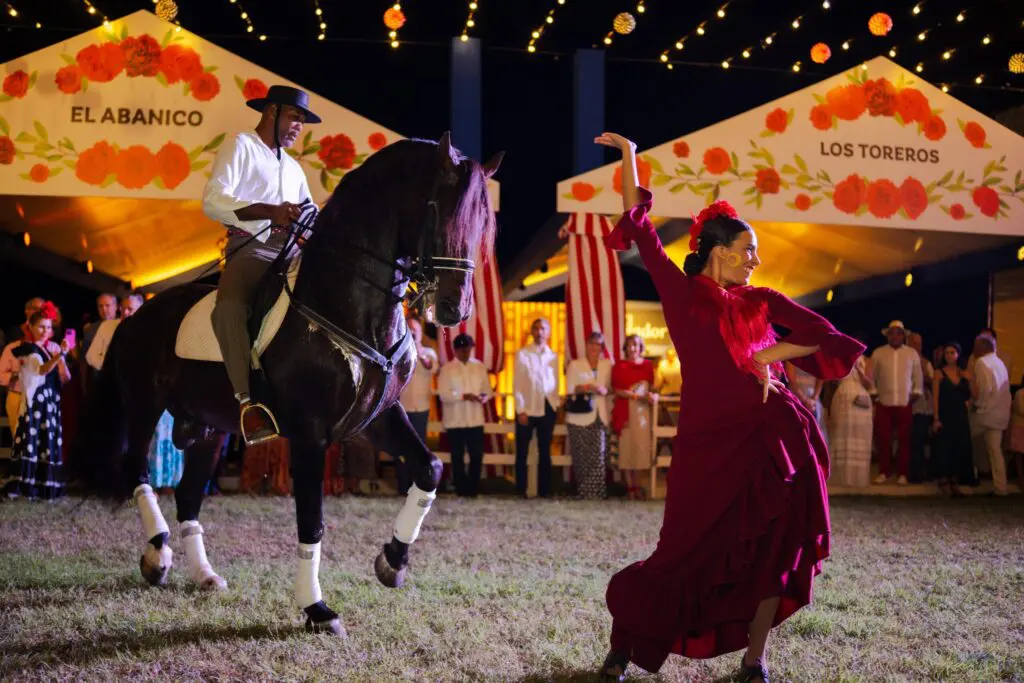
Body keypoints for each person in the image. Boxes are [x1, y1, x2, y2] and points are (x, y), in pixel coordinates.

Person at [594, 132, 863, 683]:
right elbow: (638, 225)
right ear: (718, 251)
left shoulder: (762, 300)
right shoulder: (680, 290)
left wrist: (765, 352)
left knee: (775, 549)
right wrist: (629, 155)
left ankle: (754, 660)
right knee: (678, 552)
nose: (755, 261)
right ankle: (624, 649)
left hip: (770, 440)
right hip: (705, 444)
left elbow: (822, 335)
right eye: (747, 251)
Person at [203, 85, 319, 445]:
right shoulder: (240, 146)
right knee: (229, 308)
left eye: (302, 121)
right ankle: (247, 403)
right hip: (252, 246)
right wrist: (271, 211)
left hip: (292, 249)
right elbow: (213, 201)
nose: (299, 126)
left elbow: (309, 213)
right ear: (271, 112)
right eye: (294, 117)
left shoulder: (295, 168)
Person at [6, 302, 72, 500]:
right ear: (31, 327)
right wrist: (60, 355)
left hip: (48, 401)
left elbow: (62, 376)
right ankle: (29, 485)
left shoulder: (44, 349)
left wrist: (61, 355)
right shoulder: (28, 348)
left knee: (45, 441)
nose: (46, 331)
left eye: (49, 327)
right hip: (36, 403)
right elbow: (41, 370)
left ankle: (43, 485)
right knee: (33, 441)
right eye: (42, 326)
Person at [437, 334, 492, 497]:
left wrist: (483, 397)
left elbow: (487, 390)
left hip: (475, 419)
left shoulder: (479, 367)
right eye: (462, 349)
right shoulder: (447, 369)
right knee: (457, 456)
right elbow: (443, 394)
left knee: (476, 455)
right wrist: (463, 396)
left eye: (468, 348)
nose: (465, 352)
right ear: (455, 350)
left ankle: (473, 488)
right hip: (455, 420)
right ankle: (461, 489)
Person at [870, 321, 923, 485]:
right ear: (887, 335)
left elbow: (917, 379)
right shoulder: (878, 353)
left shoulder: (911, 354)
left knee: (904, 440)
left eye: (898, 333)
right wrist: (875, 395)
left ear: (903, 336)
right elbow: (872, 377)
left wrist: (912, 397)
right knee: (883, 439)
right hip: (884, 403)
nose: (895, 336)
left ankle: (902, 474)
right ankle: (884, 471)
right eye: (892, 333)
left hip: (904, 402)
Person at [513, 318, 560, 498]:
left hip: (547, 407)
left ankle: (544, 491)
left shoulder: (553, 356)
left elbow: (555, 383)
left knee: (545, 452)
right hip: (527, 407)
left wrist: (555, 404)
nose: (539, 332)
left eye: (543, 329)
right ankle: (520, 490)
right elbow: (517, 385)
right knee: (522, 452)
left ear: (548, 333)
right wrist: (520, 409)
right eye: (536, 328)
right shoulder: (522, 354)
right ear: (531, 332)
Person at [565, 331, 613, 499]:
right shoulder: (575, 365)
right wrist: (590, 387)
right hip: (579, 417)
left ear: (602, 348)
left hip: (601, 416)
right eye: (591, 343)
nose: (594, 347)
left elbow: (611, 388)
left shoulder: (607, 365)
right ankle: (584, 493)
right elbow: (570, 389)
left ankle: (598, 493)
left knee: (599, 456)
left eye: (598, 344)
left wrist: (606, 390)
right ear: (586, 345)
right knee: (582, 457)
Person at [612, 334, 656, 500]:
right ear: (625, 348)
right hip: (625, 410)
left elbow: (652, 388)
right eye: (629, 345)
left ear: (640, 347)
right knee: (626, 448)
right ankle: (629, 487)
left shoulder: (648, 366)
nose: (632, 348)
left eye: (636, 345)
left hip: (642, 413)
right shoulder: (619, 366)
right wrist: (637, 397)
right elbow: (616, 390)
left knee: (640, 448)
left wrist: (654, 395)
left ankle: (638, 485)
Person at [398, 317, 438, 494]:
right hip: (402, 407)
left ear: (420, 332)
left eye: (415, 330)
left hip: (421, 407)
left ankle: (417, 485)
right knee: (401, 446)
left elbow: (431, 367)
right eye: (409, 329)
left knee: (419, 448)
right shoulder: (399, 351)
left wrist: (418, 349)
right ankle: (402, 485)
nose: (413, 333)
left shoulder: (429, 352)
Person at [969, 335, 1011, 496]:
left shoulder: (982, 363)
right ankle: (1001, 487)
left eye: (976, 345)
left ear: (983, 347)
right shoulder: (1000, 363)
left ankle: (970, 476)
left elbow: (984, 389)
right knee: (995, 450)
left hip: (985, 413)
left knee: (966, 440)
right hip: (1000, 414)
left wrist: (976, 405)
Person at [930, 343, 974, 495]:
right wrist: (936, 418)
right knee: (944, 447)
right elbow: (935, 398)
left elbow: (974, 395)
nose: (949, 355)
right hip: (945, 414)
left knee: (959, 446)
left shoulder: (963, 374)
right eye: (947, 353)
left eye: (952, 352)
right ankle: (943, 480)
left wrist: (970, 379)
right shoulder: (939, 373)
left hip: (960, 415)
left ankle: (955, 481)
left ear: (958, 355)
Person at [828, 349, 874, 487]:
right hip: (842, 397)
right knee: (842, 435)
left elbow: (869, 384)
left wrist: (858, 369)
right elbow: (833, 381)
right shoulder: (839, 359)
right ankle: (842, 479)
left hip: (861, 398)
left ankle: (858, 480)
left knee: (860, 436)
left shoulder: (867, 360)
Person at [907, 332, 934, 483]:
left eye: (919, 343)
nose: (917, 346)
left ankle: (920, 472)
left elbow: (932, 382)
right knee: (912, 442)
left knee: (921, 441)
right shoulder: (905, 361)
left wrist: (923, 372)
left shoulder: (926, 362)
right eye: (914, 343)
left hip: (924, 408)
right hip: (909, 407)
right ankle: (912, 473)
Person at [80, 293, 119, 392]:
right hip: (97, 381)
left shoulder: (122, 325)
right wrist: (84, 385)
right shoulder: (91, 329)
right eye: (100, 306)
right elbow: (84, 359)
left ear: (116, 306)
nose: (104, 309)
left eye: (107, 305)